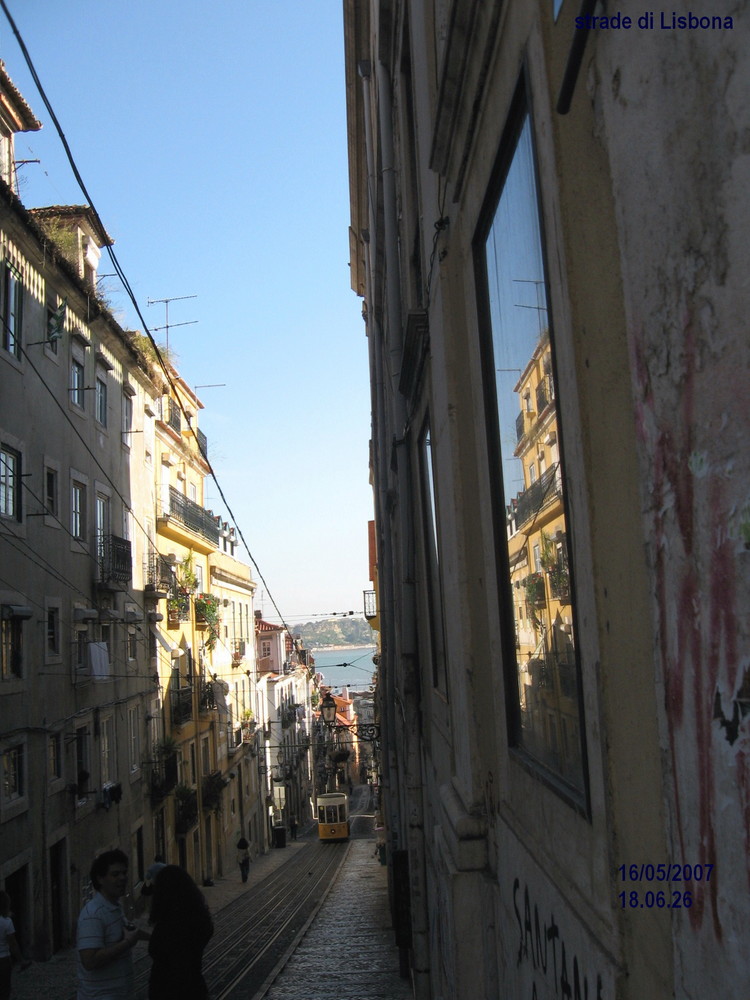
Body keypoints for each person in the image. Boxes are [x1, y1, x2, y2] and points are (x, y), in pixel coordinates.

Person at [77, 849, 145, 1000]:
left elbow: (130, 931)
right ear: (100, 879)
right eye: (115, 874)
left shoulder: (115, 907)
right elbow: (89, 960)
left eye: (124, 873)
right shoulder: (92, 914)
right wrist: (127, 943)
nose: (122, 878)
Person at [148, 865, 213, 999]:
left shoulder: (167, 927)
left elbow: (159, 952)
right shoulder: (201, 921)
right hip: (195, 988)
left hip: (166, 991)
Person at [0, 891, 30, 1000]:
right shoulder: (6, 922)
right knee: (4, 990)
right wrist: (21, 960)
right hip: (3, 960)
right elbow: (13, 944)